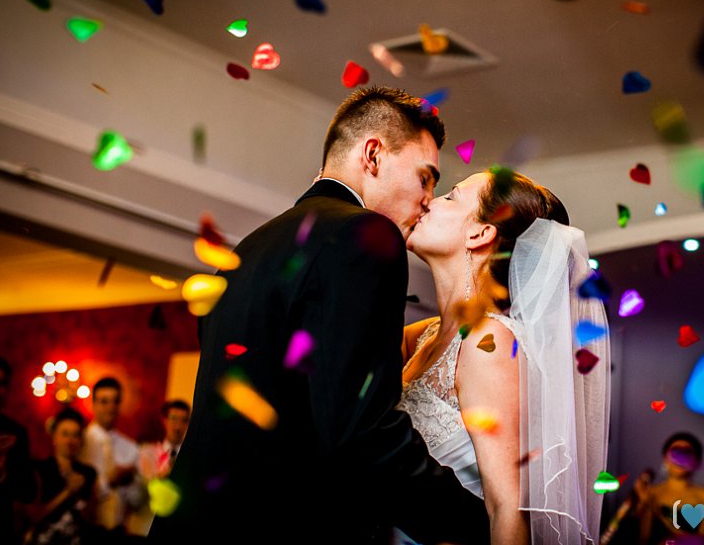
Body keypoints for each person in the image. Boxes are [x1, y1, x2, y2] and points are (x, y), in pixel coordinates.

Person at [149, 86, 490, 544]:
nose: (429, 198)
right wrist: (481, 526)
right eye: (425, 178)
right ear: (373, 155)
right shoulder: (364, 235)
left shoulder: (247, 251)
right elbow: (361, 433)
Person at [401, 169, 612, 544]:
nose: (428, 201)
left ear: (480, 233)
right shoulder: (423, 335)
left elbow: (508, 510)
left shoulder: (490, 342)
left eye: (450, 196)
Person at [81, 377, 146, 538]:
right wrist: (109, 481)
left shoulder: (131, 447)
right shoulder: (81, 443)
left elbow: (137, 502)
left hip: (118, 533)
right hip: (84, 530)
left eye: (115, 402)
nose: (110, 408)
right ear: (93, 404)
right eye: (104, 402)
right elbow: (78, 493)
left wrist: (132, 482)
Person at [24, 407, 98, 545]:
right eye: (65, 434)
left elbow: (92, 518)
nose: (70, 441)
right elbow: (33, 517)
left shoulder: (88, 473)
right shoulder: (40, 469)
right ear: (54, 437)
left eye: (75, 435)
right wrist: (68, 492)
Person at [0, 353, 38, 545]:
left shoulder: (16, 432)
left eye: (0, 384)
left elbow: (28, 492)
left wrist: (4, 473)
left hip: (1, 530)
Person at [638, 432, 704, 545]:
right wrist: (644, 504)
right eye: (676, 451)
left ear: (696, 460)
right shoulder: (651, 493)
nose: (681, 457)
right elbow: (644, 537)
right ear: (665, 458)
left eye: (687, 452)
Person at [128, 400, 190, 537]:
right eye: (174, 419)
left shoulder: (191, 459)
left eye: (184, 420)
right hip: (145, 525)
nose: (178, 426)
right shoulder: (147, 452)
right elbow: (138, 493)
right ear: (164, 420)